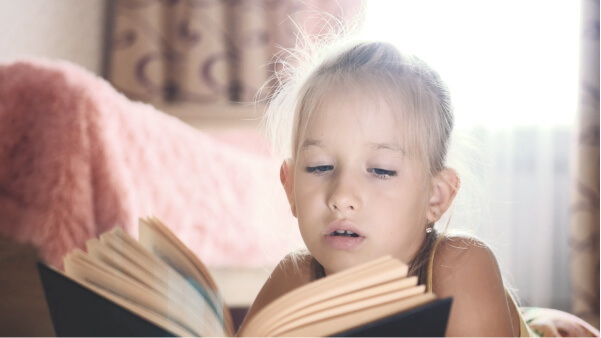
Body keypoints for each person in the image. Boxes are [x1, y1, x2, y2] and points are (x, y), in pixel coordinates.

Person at [239, 38, 532, 337]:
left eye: (381, 170)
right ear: (290, 189)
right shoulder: (295, 279)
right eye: (320, 167)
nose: (341, 197)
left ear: (436, 196)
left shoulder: (459, 266)